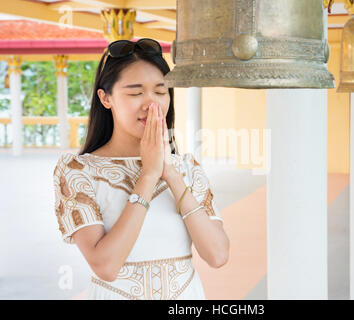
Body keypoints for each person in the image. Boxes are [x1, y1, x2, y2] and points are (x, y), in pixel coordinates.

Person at [52, 38, 230, 300]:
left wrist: (170, 172)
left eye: (160, 91)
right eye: (135, 93)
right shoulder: (78, 171)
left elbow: (217, 255)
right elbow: (106, 266)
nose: (151, 104)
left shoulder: (187, 167)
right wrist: (148, 175)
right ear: (105, 98)